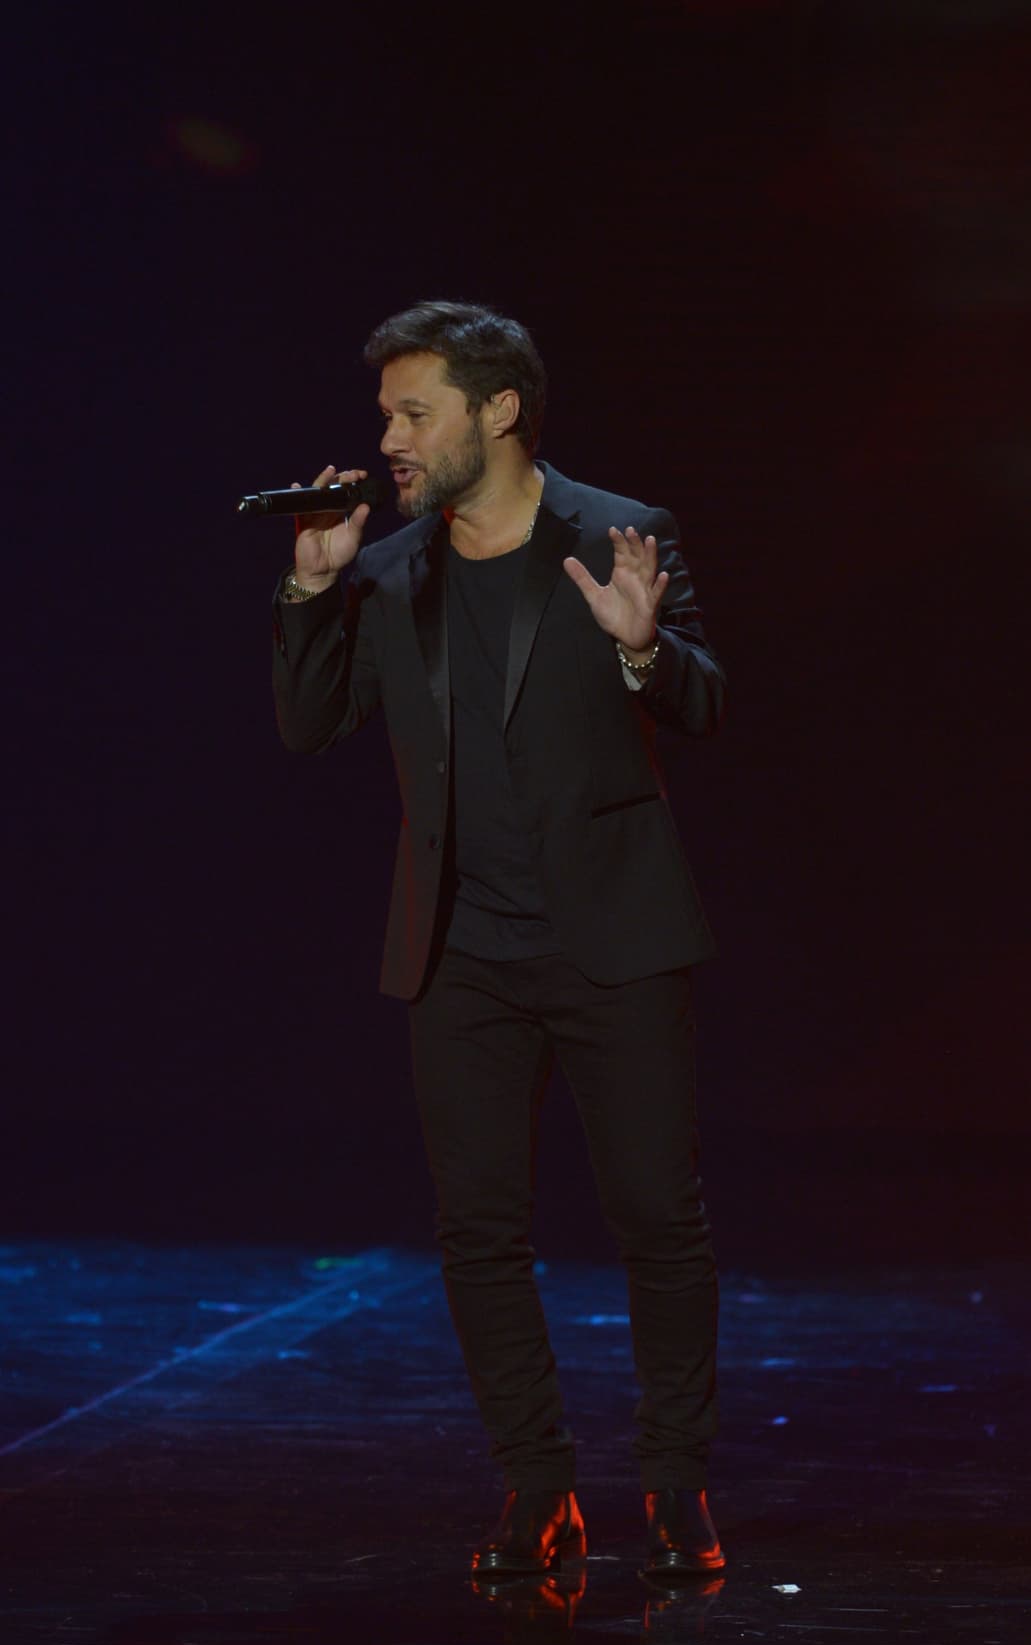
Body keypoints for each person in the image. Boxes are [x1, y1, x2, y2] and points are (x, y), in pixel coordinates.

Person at [271, 300, 726, 1579]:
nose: (390, 439)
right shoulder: (388, 567)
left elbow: (706, 695)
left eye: (415, 413)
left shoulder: (617, 532)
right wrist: (309, 589)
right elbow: (312, 727)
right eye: (387, 415)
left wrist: (646, 655)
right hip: (459, 953)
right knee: (479, 1231)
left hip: (614, 943)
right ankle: (537, 1488)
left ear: (499, 411)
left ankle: (678, 1486)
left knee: (656, 1219)